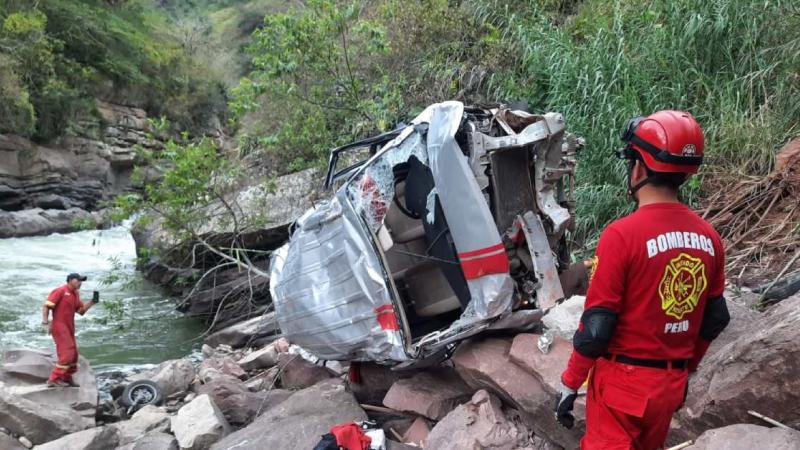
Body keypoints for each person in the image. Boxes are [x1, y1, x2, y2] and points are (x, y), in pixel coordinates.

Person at [554, 111, 731, 449]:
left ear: (638, 167)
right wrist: (684, 370)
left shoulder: (622, 235)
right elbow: (715, 318)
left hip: (623, 388)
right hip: (669, 387)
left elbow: (596, 329)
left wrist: (570, 382)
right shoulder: (710, 238)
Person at [41, 273, 98, 387]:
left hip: (69, 326)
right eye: (79, 280)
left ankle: (66, 378)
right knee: (67, 353)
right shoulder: (60, 291)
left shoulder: (75, 294)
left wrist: (92, 302)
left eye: (81, 281)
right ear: (71, 280)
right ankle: (53, 379)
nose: (80, 283)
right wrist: (45, 322)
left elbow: (81, 311)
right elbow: (46, 306)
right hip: (59, 326)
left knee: (74, 355)